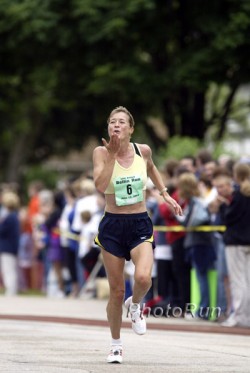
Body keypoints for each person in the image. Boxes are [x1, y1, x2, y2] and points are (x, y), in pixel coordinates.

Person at [93, 106, 182, 363]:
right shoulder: (100, 152)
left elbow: (152, 168)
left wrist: (164, 193)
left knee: (143, 278)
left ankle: (136, 305)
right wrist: (111, 156)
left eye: (121, 122)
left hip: (139, 222)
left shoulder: (142, 150)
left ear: (131, 128)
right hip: (112, 225)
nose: (116, 126)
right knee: (116, 291)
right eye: (112, 122)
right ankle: (116, 345)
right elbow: (100, 185)